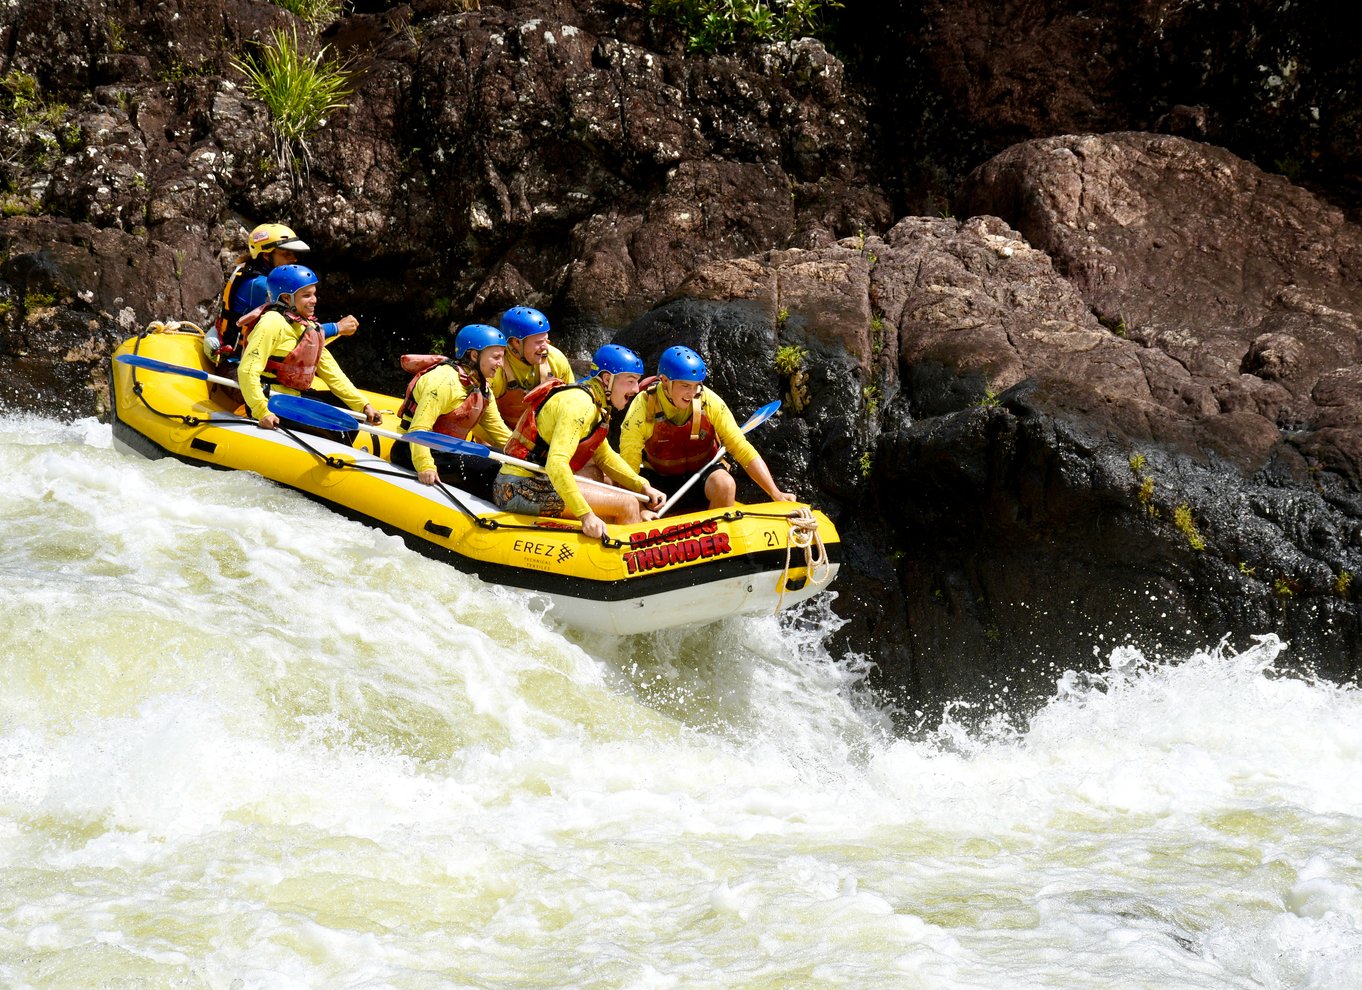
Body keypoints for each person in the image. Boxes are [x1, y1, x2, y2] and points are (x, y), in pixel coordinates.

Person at [492, 343, 664, 539]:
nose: (635, 389)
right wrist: (586, 515)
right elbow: (556, 464)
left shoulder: (593, 401)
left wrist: (643, 486)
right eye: (630, 381)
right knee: (628, 504)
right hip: (518, 488)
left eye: (637, 382)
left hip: (536, 480)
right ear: (607, 379)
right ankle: (628, 552)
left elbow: (604, 456)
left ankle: (608, 533)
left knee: (601, 476)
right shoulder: (580, 405)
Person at [619, 345, 796, 512]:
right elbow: (629, 466)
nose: (692, 393)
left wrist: (775, 492)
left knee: (725, 484)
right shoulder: (643, 408)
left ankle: (716, 539)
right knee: (636, 499)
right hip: (659, 484)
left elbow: (741, 448)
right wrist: (639, 508)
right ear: (665, 381)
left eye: (696, 385)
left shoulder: (708, 400)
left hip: (702, 475)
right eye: (685, 386)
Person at [237, 264, 382, 436]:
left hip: (294, 397)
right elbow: (247, 371)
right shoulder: (271, 323)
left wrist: (363, 405)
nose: (314, 300)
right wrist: (262, 411)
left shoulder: (308, 327)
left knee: (349, 411)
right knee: (337, 428)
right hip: (272, 400)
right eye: (307, 295)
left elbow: (332, 373)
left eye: (314, 294)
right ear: (285, 298)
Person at [204, 222, 358, 362]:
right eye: (286, 254)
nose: (294, 259)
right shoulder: (261, 286)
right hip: (237, 359)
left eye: (293, 253)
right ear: (266, 255)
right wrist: (338, 327)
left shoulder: (248, 269)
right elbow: (303, 332)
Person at [392, 324, 511, 499]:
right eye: (496, 357)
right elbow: (418, 430)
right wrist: (425, 465)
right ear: (474, 355)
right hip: (411, 450)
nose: (500, 364)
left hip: (450, 451)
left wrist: (527, 456)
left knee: (506, 461)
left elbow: (499, 432)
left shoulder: (483, 389)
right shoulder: (444, 382)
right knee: (490, 468)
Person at [486, 305, 575, 429]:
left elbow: (572, 405)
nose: (545, 347)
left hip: (540, 439)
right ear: (516, 342)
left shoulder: (556, 359)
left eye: (546, 340)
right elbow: (482, 420)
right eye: (538, 342)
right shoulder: (495, 367)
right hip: (501, 440)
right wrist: (512, 445)